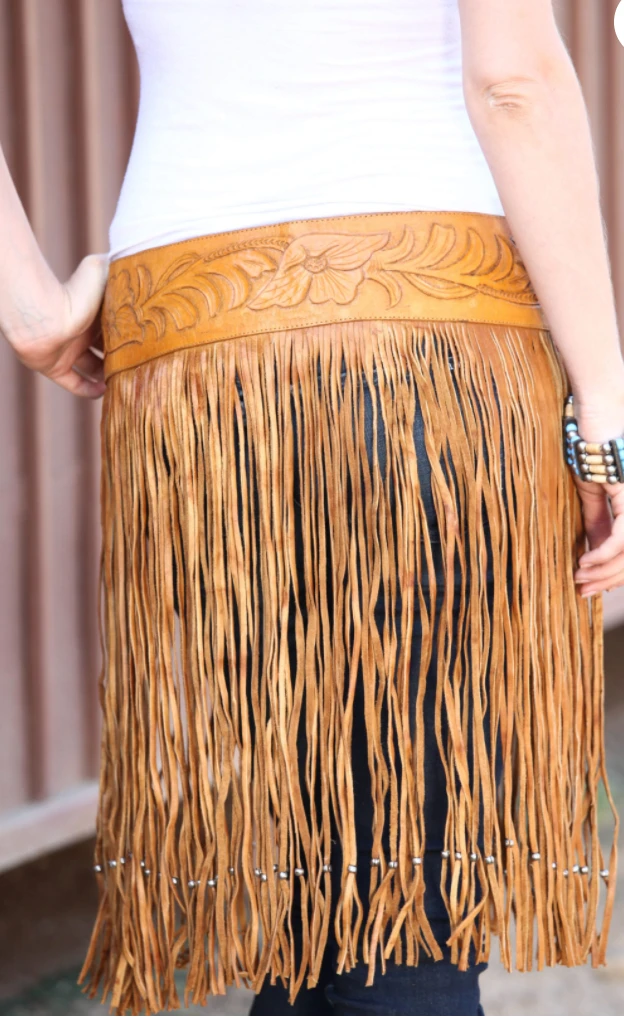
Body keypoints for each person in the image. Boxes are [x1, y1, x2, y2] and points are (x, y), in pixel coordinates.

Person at [1, 1, 621, 1015]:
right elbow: (515, 85)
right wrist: (605, 410)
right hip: (421, 357)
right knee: (401, 914)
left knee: (333, 907)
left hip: (199, 380)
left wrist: (28, 301)